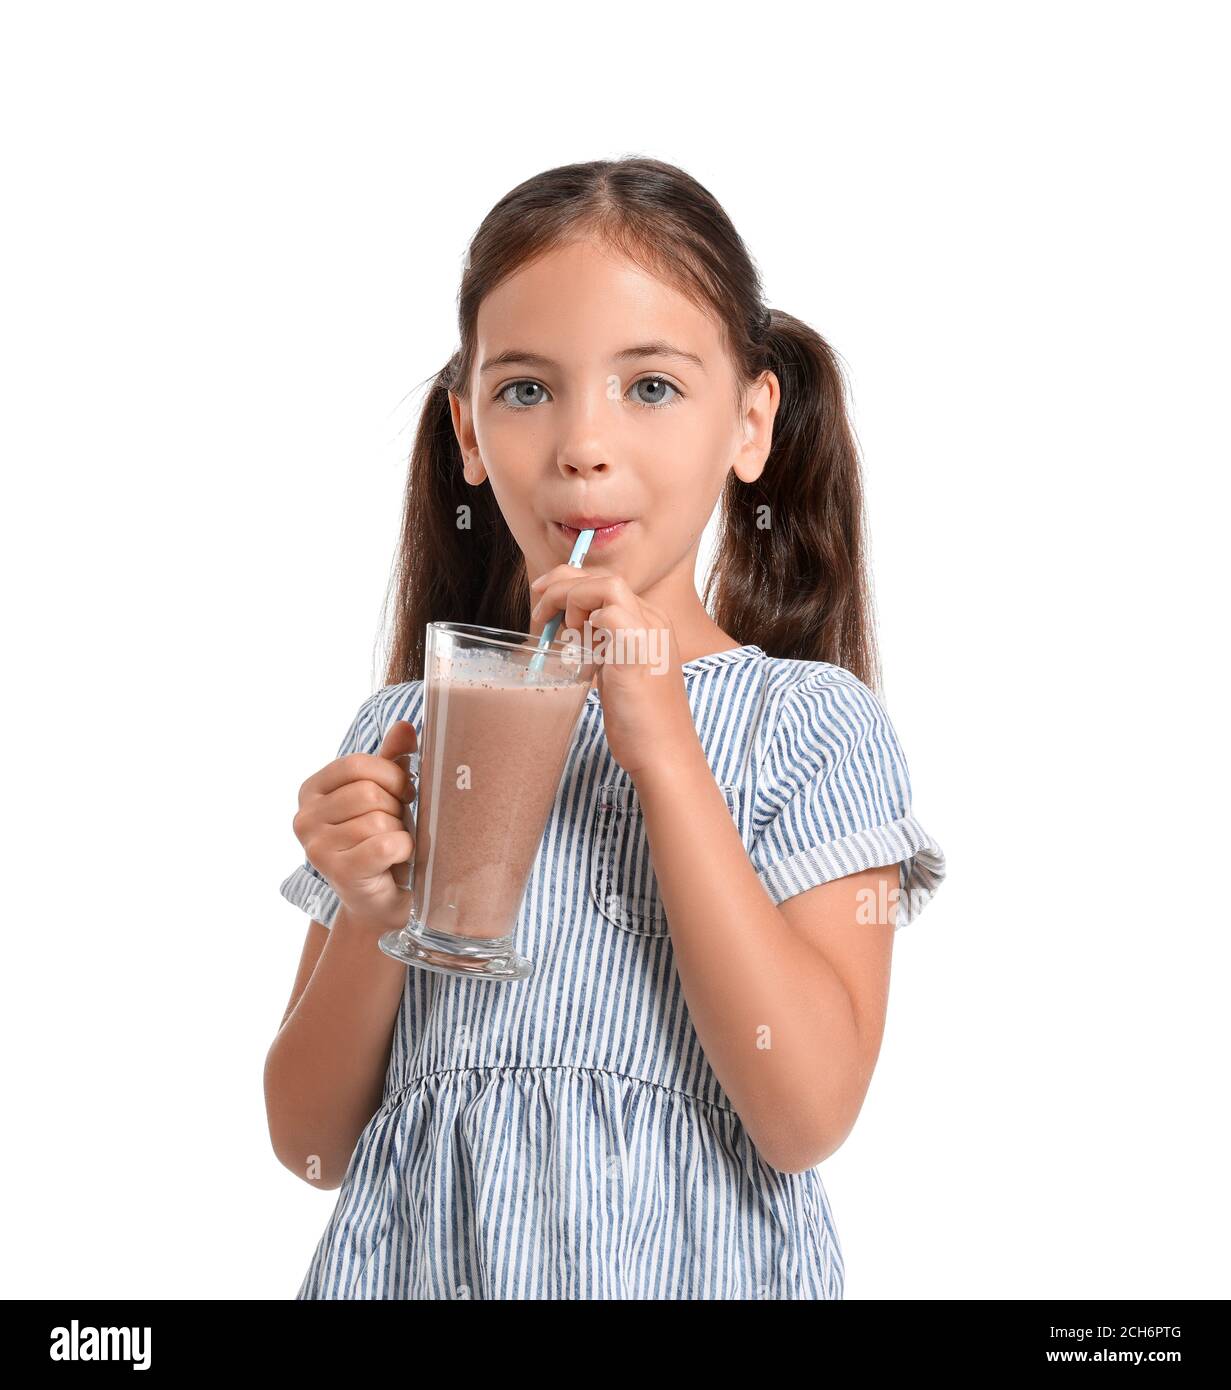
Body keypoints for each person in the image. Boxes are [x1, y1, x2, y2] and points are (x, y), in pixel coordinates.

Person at [265, 155, 947, 1300]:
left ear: (750, 420)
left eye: (651, 387)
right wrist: (378, 914)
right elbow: (309, 1141)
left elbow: (805, 1113)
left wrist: (669, 754)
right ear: (468, 434)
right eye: (526, 389)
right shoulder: (409, 728)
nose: (584, 443)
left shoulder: (807, 724)